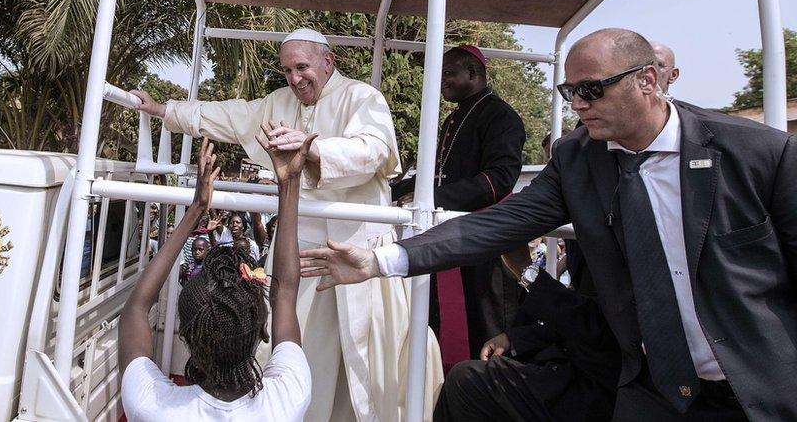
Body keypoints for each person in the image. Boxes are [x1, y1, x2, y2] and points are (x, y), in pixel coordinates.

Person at [302, 28, 797, 421]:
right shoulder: (578, 160)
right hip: (652, 391)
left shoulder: (756, 153)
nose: (576, 104)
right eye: (569, 91)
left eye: (591, 90)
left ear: (648, 81)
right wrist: (381, 259)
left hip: (758, 387)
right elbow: (498, 223)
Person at [132, 28, 441, 421]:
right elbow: (227, 115)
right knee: (300, 355)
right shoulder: (278, 102)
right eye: (287, 71)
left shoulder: (362, 98)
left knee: (367, 373)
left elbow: (373, 151)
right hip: (301, 254)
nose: (294, 79)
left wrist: (310, 147)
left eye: (302, 68)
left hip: (359, 255)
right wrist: (164, 110)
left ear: (328, 62)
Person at [120, 136, 312, 421]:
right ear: (262, 331)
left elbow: (135, 308)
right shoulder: (288, 399)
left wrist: (196, 208)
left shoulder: (151, 406)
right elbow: (284, 293)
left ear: (185, 335)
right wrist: (289, 182)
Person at [392, 45, 526, 363]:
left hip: (489, 243)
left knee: (488, 327)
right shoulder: (455, 118)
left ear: (473, 73)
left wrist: (432, 198)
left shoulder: (500, 116)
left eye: (449, 73)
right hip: (454, 234)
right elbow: (437, 175)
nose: (442, 81)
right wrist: (391, 190)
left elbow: (498, 179)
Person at [435, 240, 620, 422]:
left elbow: (600, 329)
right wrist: (516, 338)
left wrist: (527, 272)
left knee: (465, 381)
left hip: (603, 385)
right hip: (579, 360)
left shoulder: (620, 232)